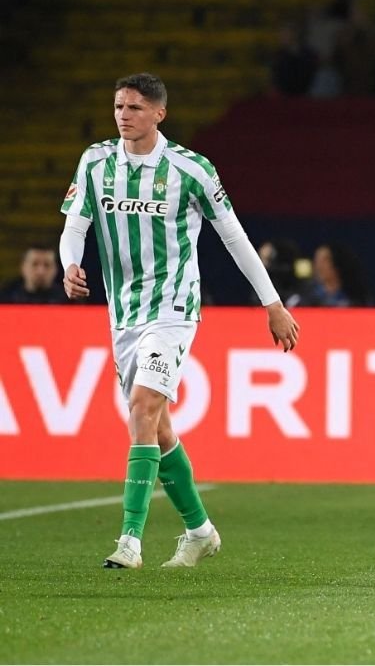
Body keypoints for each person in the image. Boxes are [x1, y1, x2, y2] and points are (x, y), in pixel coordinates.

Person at [59, 73, 299, 570]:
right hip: (123, 313)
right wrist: (70, 264)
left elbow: (234, 237)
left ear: (159, 113)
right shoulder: (95, 162)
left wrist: (272, 303)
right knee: (158, 429)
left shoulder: (191, 170)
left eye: (134, 108)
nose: (123, 115)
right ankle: (201, 532)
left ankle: (130, 540)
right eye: (119, 106)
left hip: (173, 308)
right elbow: (75, 225)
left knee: (143, 406)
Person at [0, 244, 70, 304]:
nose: (41, 271)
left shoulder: (68, 300)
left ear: (56, 269)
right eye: (35, 264)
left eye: (47, 265)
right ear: (23, 267)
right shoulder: (6, 297)